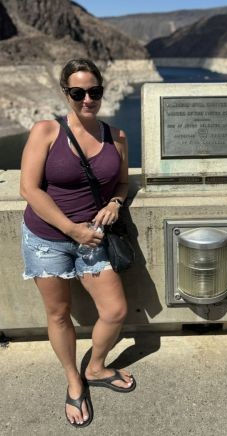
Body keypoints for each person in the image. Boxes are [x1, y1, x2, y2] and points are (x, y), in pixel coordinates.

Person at [20, 58, 136, 428]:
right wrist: (73, 230)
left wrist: (116, 203)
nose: (88, 99)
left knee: (115, 310)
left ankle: (97, 366)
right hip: (47, 238)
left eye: (95, 92)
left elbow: (121, 183)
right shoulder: (46, 131)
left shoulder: (116, 137)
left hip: (93, 237)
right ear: (65, 93)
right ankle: (74, 379)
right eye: (78, 92)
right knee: (58, 314)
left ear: (103, 90)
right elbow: (29, 189)